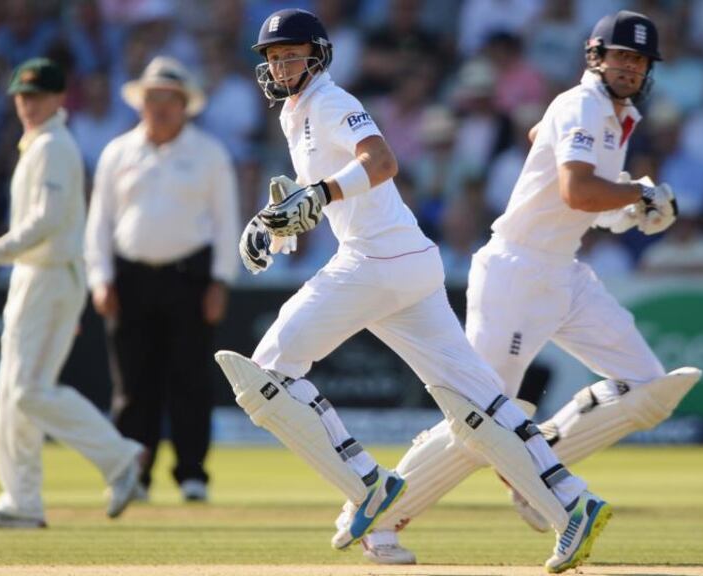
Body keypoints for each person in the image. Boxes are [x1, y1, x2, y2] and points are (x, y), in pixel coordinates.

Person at [215, 9, 610, 574]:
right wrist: (278, 216)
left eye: (293, 55)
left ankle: (367, 486)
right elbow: (325, 193)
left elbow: (381, 162)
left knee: (266, 377)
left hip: (375, 262)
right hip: (409, 262)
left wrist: (318, 195)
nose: (281, 66)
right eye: (274, 58)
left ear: (319, 55)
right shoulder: (295, 113)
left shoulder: (332, 101)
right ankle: (573, 502)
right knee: (477, 400)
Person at [354, 11, 703, 564]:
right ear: (596, 56)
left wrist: (634, 209)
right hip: (517, 271)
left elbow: (579, 189)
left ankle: (534, 474)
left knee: (648, 388)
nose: (629, 67)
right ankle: (378, 514)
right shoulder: (583, 103)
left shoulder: (617, 115)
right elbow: (578, 191)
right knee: (481, 419)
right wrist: (638, 193)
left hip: (563, 271)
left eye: (638, 60)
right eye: (620, 56)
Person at [0, 58, 144, 528]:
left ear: (60, 100)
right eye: (21, 96)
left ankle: (120, 456)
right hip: (39, 276)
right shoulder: (40, 144)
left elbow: (47, 220)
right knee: (13, 394)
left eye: (36, 96)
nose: (27, 105)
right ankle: (22, 500)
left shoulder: (55, 144)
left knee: (26, 391)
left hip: (49, 274)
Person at [85, 56, 240, 502]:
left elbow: (227, 222)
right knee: (132, 384)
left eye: (169, 99)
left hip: (188, 276)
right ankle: (134, 475)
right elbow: (99, 222)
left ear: (185, 105)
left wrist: (220, 281)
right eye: (153, 98)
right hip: (130, 277)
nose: (160, 107)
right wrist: (100, 278)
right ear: (141, 103)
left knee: (190, 379)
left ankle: (192, 474)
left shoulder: (209, 153)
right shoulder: (118, 152)